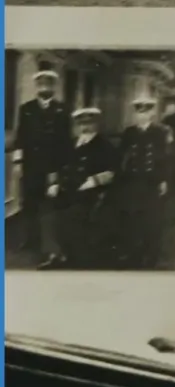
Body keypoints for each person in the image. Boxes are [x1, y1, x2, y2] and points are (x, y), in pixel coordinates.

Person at [113, 88, 175, 271]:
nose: (141, 116)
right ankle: (134, 254)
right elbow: (121, 156)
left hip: (152, 182)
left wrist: (164, 180)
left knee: (152, 220)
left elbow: (166, 158)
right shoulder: (129, 133)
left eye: (145, 111)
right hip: (132, 181)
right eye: (138, 112)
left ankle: (151, 256)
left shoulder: (160, 132)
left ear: (152, 113)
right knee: (133, 219)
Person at [15, 66, 71, 268]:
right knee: (29, 203)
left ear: (53, 87)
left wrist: (60, 169)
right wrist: (18, 162)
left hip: (52, 166)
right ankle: (30, 240)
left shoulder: (62, 110)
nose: (44, 87)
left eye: (48, 84)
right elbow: (21, 136)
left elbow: (66, 141)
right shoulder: (26, 109)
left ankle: (49, 246)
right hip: (31, 164)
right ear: (36, 86)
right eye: (41, 84)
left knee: (49, 206)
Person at [61, 107, 117, 270]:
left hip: (93, 191)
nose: (85, 128)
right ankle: (58, 253)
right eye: (81, 124)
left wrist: (94, 180)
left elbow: (113, 171)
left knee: (76, 213)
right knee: (49, 210)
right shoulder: (72, 144)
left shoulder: (104, 145)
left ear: (96, 124)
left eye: (89, 123)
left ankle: (81, 258)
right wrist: (56, 183)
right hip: (69, 188)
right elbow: (62, 166)